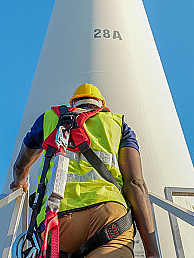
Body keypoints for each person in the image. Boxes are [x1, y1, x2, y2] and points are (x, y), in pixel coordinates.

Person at [10, 83, 161, 258]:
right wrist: (152, 252)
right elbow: (135, 183)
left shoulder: (49, 119)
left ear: (73, 104)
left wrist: (20, 181)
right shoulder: (119, 125)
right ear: (102, 105)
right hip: (109, 218)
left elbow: (20, 165)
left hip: (57, 219)